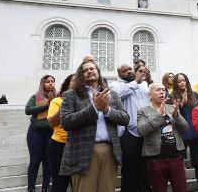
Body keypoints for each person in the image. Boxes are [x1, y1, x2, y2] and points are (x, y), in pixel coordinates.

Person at [60, 61, 129, 192]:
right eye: (85, 70)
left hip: (110, 150)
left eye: (92, 68)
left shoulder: (112, 94)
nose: (90, 71)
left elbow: (125, 118)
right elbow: (66, 122)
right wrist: (94, 108)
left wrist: (107, 110)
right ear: (81, 76)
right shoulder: (71, 95)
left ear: (98, 72)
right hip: (83, 151)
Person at [137, 83, 189, 192]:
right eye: (158, 90)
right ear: (150, 95)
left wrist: (176, 116)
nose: (162, 92)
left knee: (181, 189)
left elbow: (185, 128)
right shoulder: (143, 111)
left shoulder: (171, 108)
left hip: (176, 156)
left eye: (163, 90)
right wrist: (159, 115)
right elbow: (142, 131)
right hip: (156, 158)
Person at [109, 63, 152, 192]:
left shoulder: (143, 85)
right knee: (129, 168)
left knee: (144, 168)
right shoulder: (115, 85)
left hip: (145, 131)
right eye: (125, 70)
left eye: (130, 69)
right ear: (119, 73)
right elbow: (116, 95)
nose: (129, 71)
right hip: (128, 132)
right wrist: (135, 82)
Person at [168, 73, 198, 192]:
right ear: (175, 84)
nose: (182, 83)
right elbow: (171, 116)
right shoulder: (171, 96)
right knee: (179, 165)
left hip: (195, 133)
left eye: (183, 80)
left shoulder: (194, 94)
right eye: (179, 81)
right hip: (180, 134)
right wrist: (180, 105)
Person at [25, 75, 56, 192]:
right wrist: (45, 105)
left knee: (47, 161)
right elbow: (27, 110)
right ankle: (31, 189)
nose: (50, 83)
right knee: (35, 160)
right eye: (47, 82)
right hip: (35, 132)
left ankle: (45, 188)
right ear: (43, 84)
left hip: (50, 132)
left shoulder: (57, 97)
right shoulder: (35, 96)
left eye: (52, 81)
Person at [47, 74, 75, 192]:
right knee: (59, 185)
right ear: (67, 84)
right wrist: (65, 105)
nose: (77, 82)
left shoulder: (84, 101)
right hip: (59, 147)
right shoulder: (57, 101)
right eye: (74, 80)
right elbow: (51, 123)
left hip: (77, 147)